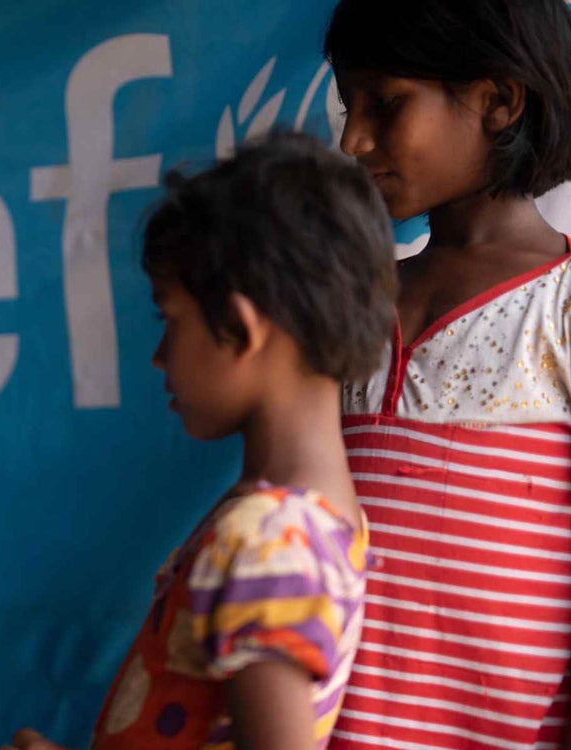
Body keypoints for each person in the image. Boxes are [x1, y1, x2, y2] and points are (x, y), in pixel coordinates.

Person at [2, 132, 398, 749]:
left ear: (242, 328)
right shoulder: (325, 522)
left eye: (171, 320)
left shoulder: (270, 541)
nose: (159, 357)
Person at [322, 1, 571, 746]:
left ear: (498, 101)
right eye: (348, 104)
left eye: (386, 102)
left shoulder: (560, 305)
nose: (352, 139)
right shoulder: (344, 307)